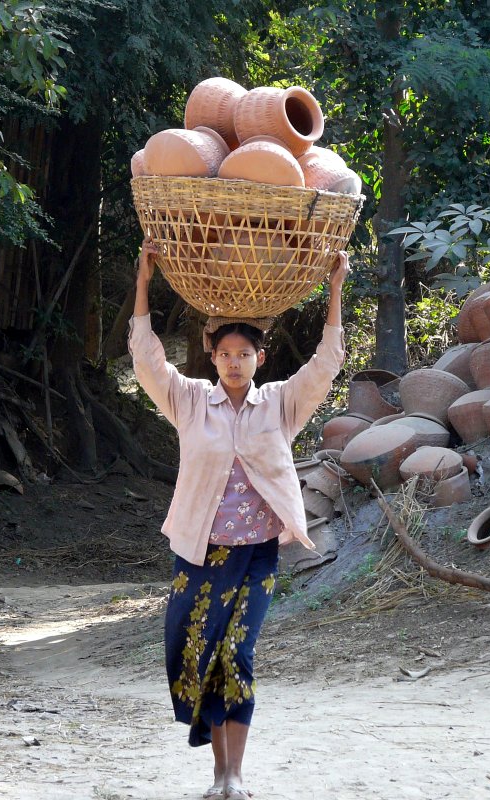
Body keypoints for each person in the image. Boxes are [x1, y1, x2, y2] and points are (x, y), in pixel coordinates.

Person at [129, 238, 350, 800]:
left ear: (260, 360)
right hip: (199, 554)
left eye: (243, 355)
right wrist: (143, 280)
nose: (233, 363)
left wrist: (334, 288)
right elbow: (146, 359)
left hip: (256, 557)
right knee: (193, 653)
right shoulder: (188, 401)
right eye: (225, 354)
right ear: (212, 356)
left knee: (236, 655)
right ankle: (216, 773)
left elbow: (327, 364)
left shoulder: (280, 403)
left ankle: (234, 776)